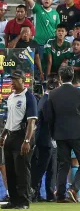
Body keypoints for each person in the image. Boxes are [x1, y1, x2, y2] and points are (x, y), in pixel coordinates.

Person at [47, 66, 80, 203]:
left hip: (60, 134)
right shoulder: (79, 93)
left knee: (63, 165)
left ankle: (60, 196)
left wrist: (53, 134)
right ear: (72, 77)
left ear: (60, 78)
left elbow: (50, 118)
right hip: (77, 133)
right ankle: (73, 189)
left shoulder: (52, 94)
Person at [0, 71, 37, 210]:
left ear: (23, 80)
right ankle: (14, 200)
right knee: (10, 170)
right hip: (10, 135)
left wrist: (27, 140)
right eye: (12, 80)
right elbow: (10, 119)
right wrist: (3, 135)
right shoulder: (10, 97)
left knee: (22, 170)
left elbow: (31, 121)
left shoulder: (29, 97)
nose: (13, 82)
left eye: (15, 80)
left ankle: (24, 201)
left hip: (22, 136)